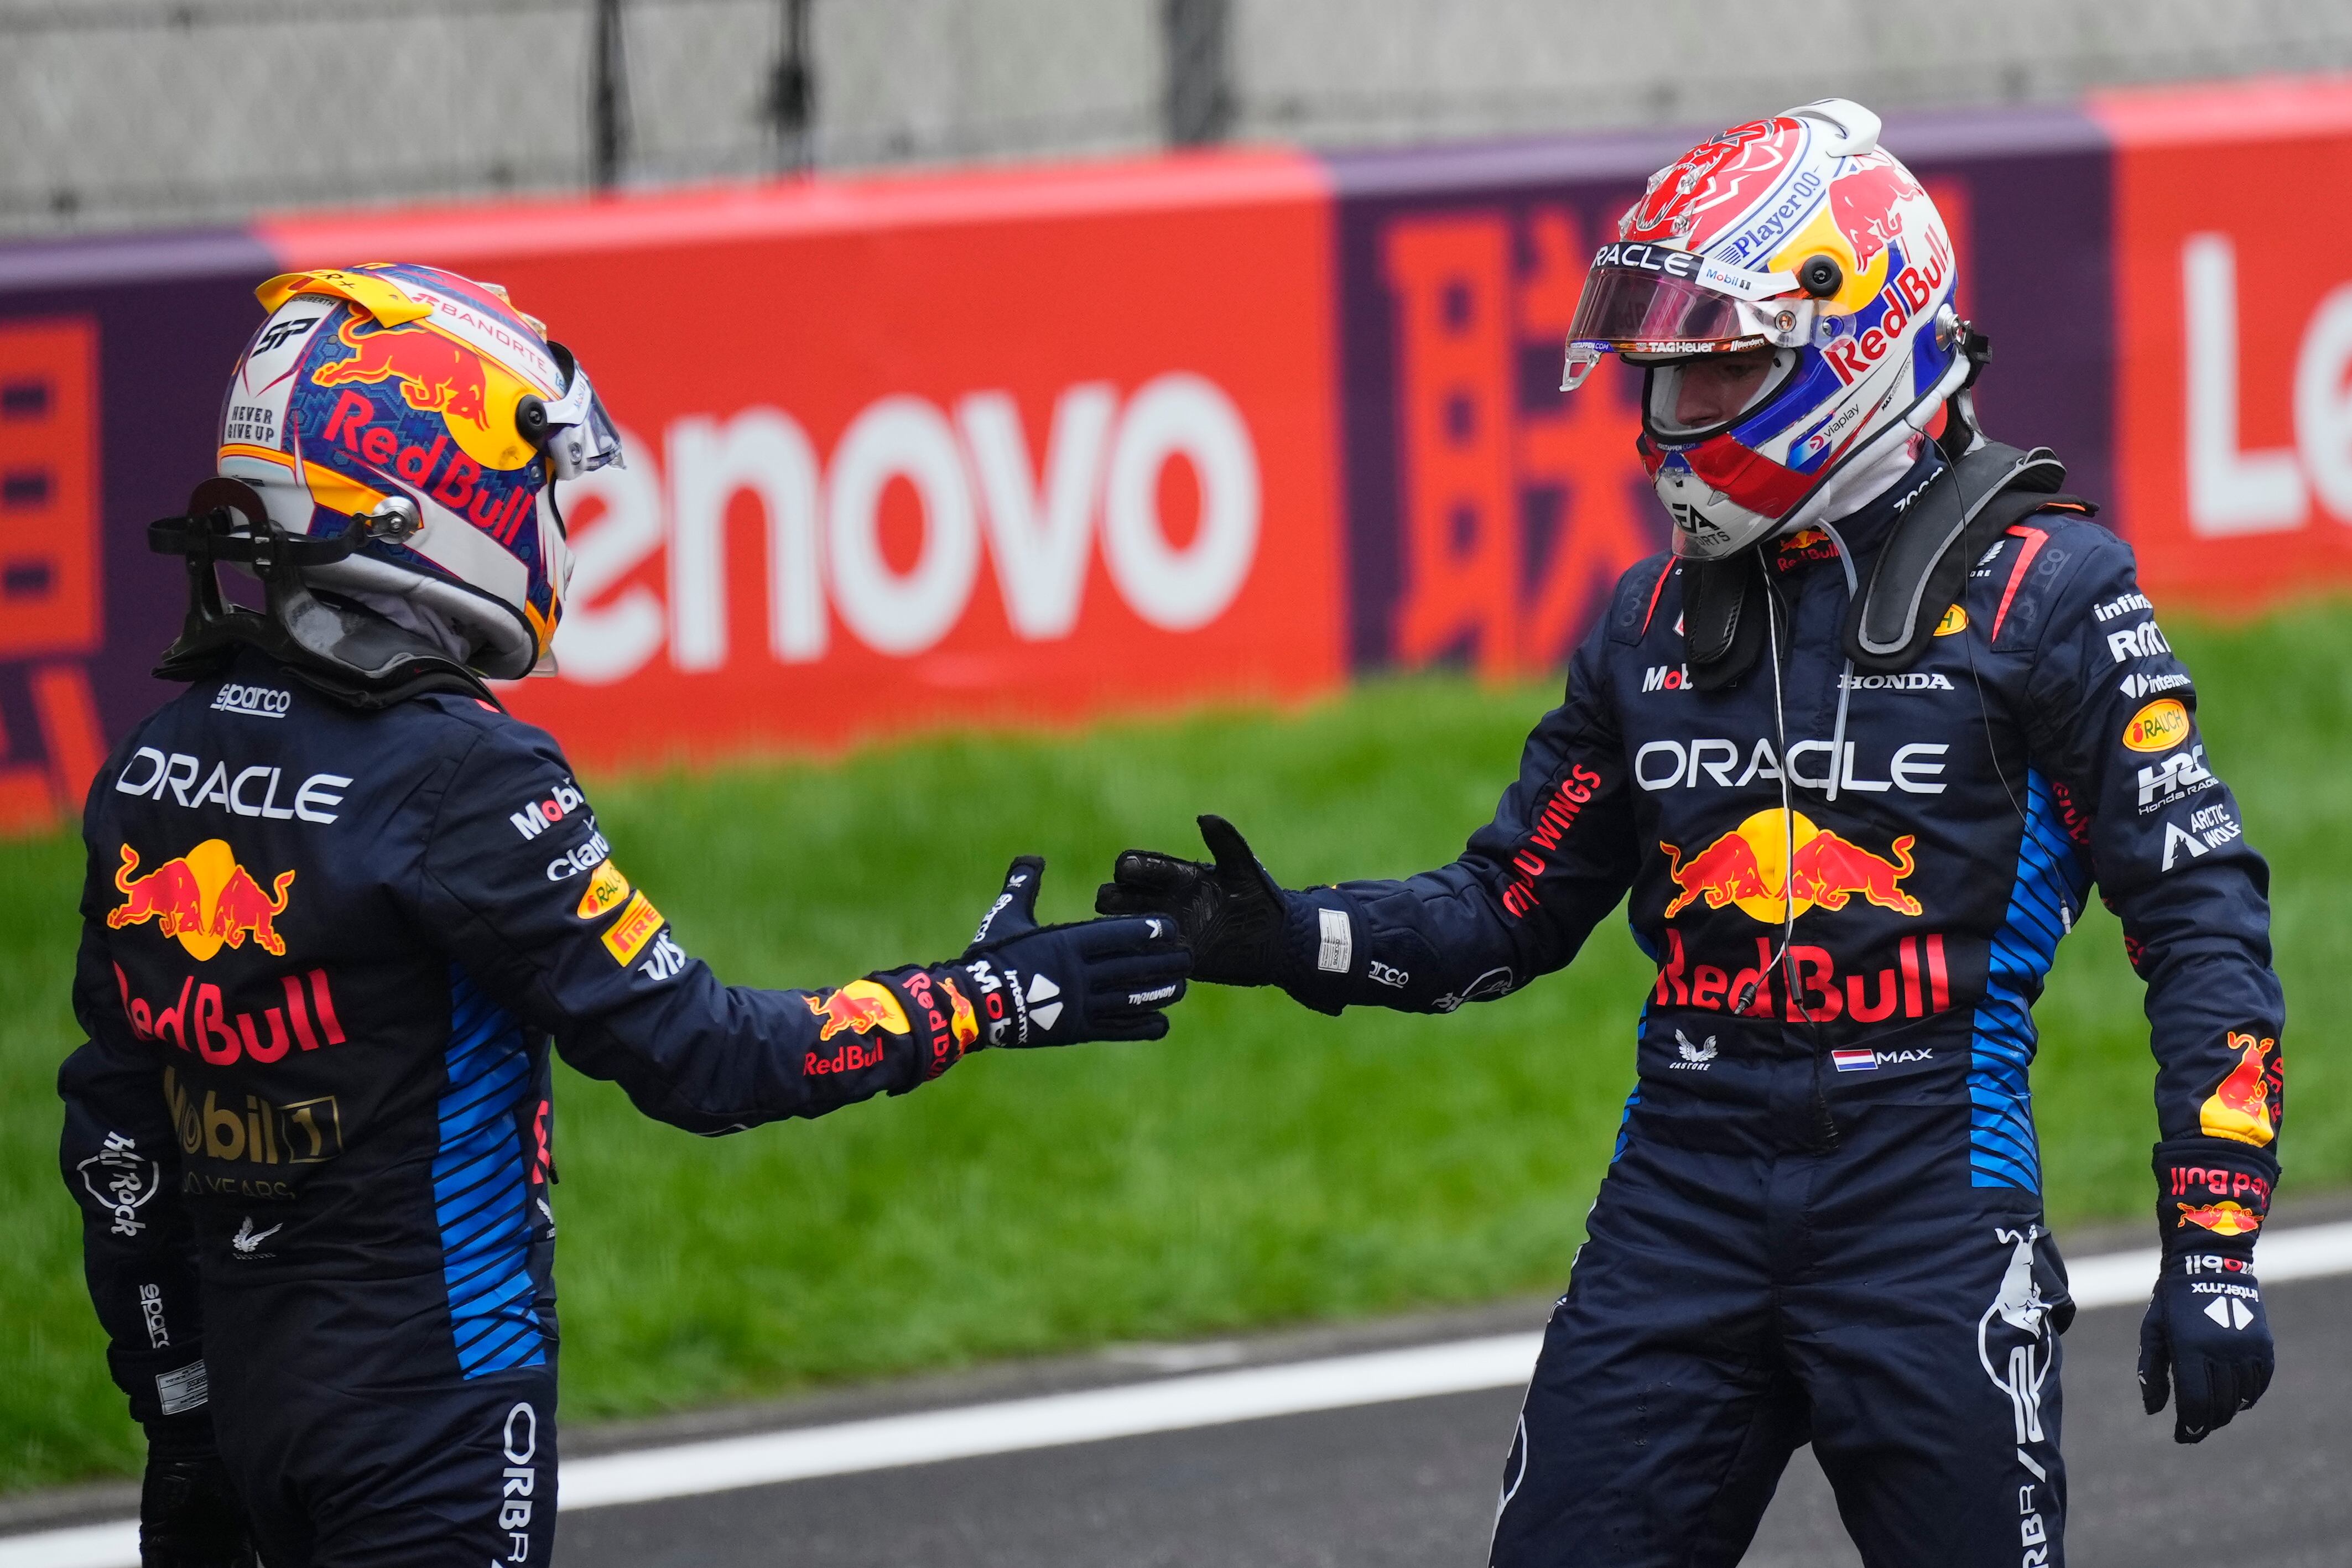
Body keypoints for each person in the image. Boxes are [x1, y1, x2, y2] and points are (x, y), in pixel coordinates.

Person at [1098, 100, 2281, 1567]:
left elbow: (2200, 915)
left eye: (1720, 363)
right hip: (1680, 1204)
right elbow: (1503, 911)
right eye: (1662, 369)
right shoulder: (1646, 623)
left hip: (1925, 1209)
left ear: (1853, 347)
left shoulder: (2052, 596)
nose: (1671, 411)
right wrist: (1282, 935)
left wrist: (2215, 1236)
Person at [60, 262, 1190, 1567]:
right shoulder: (467, 777)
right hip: (428, 1419)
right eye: (536, 481)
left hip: (243, 1420)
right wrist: (988, 995)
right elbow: (710, 1056)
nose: (553, 523)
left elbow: (116, 1138)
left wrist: (183, 1421)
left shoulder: (154, 759)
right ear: (427, 478)